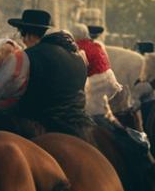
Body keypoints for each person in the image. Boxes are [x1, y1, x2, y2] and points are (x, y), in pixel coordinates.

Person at [5, 9, 93, 139]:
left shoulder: (29, 56)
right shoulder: (78, 57)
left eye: (22, 34)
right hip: (81, 123)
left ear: (27, 34)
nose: (22, 40)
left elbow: (13, 91)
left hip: (43, 123)